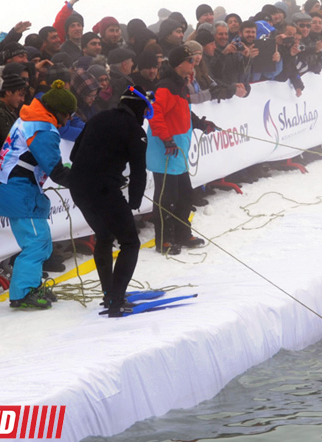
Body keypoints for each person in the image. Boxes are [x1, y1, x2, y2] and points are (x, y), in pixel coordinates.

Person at [0, 80, 76, 310]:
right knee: (36, 241)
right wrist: (85, 179)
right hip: (15, 187)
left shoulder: (32, 116)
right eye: (67, 116)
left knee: (42, 240)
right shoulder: (42, 128)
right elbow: (55, 170)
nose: (67, 121)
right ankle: (22, 293)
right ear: (59, 112)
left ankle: (32, 284)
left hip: (18, 184)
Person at [69, 86, 151, 317]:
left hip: (78, 186)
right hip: (103, 189)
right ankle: (116, 300)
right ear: (138, 109)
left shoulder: (98, 118)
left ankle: (109, 293)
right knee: (130, 242)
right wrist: (135, 201)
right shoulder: (135, 131)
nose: (144, 117)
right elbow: (138, 171)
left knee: (105, 236)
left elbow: (75, 155)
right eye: (145, 111)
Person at [147, 45, 218, 255]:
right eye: (190, 60)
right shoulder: (165, 87)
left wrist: (200, 124)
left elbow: (184, 112)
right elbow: (154, 114)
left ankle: (182, 234)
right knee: (166, 199)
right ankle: (164, 240)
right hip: (165, 152)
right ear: (179, 64)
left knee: (185, 195)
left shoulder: (180, 85)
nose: (193, 63)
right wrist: (167, 139)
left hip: (178, 152)